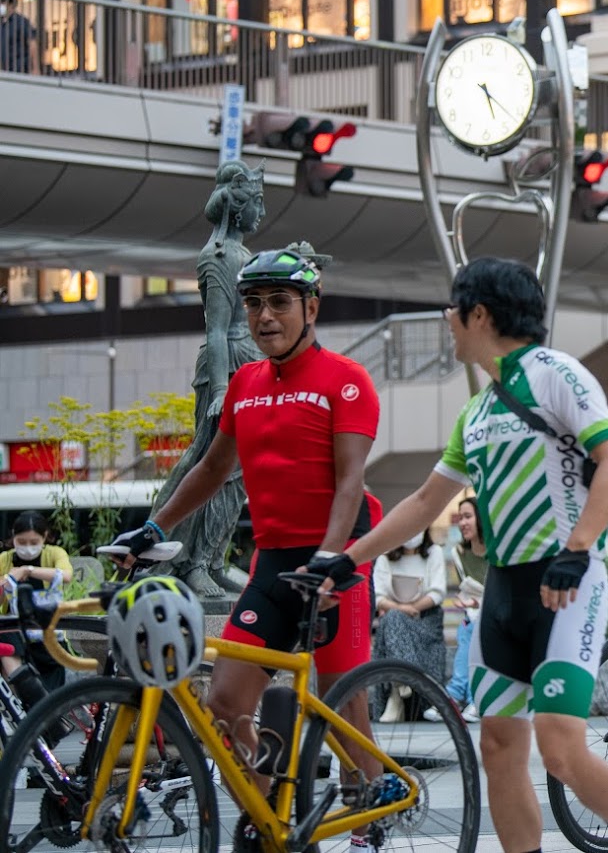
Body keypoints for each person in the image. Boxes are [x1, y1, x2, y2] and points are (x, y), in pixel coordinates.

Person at [306, 256, 608, 853]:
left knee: (559, 748)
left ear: (478, 313)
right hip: (503, 593)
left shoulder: (556, 374)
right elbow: (424, 501)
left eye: (452, 309)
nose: (446, 320)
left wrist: (575, 551)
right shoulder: (477, 411)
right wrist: (349, 558)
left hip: (566, 586)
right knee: (498, 748)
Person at [110, 245, 384, 850]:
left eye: (279, 302)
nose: (264, 317)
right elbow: (210, 470)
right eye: (254, 304)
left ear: (311, 307)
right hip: (272, 562)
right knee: (225, 702)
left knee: (349, 720)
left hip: (337, 562)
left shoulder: (347, 381)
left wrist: (329, 560)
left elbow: (349, 483)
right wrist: (155, 528)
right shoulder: (243, 383)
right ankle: (274, 824)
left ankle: (373, 825)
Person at [153, 162, 266, 597]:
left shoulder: (243, 257)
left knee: (239, 475)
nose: (261, 212)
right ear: (237, 209)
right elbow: (216, 330)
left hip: (250, 365)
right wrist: (220, 388)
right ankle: (164, 556)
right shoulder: (217, 257)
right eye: (257, 203)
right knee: (204, 463)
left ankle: (210, 558)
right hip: (226, 365)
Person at [373, 527, 449, 723]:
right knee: (393, 619)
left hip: (426, 622)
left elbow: (437, 592)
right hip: (394, 620)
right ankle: (401, 685)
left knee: (391, 622)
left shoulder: (434, 553)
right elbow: (378, 596)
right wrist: (400, 609)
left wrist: (411, 608)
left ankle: (396, 694)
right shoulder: (385, 557)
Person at [0, 510, 75, 706]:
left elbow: (66, 576)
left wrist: (28, 571)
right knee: (6, 634)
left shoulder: (54, 554)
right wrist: (8, 580)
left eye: (34, 542)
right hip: (16, 632)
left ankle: (38, 706)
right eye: (22, 542)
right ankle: (29, 695)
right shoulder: (5, 560)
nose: (27, 548)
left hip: (47, 631)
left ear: (44, 538)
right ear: (13, 538)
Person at [446, 496, 487, 721]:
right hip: (473, 615)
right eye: (460, 517)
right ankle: (470, 700)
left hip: (494, 613)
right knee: (467, 628)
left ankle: (455, 696)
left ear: (480, 519)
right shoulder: (459, 554)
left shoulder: (496, 551)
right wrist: (470, 602)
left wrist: (477, 602)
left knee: (472, 627)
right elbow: (466, 590)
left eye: (468, 516)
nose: (462, 522)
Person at [0, 0, 36, 74]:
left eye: (3, 3)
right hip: (6, 72)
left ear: (11, 5)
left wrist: (35, 68)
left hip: (20, 71)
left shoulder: (21, 22)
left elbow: (32, 43)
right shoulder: (2, 24)